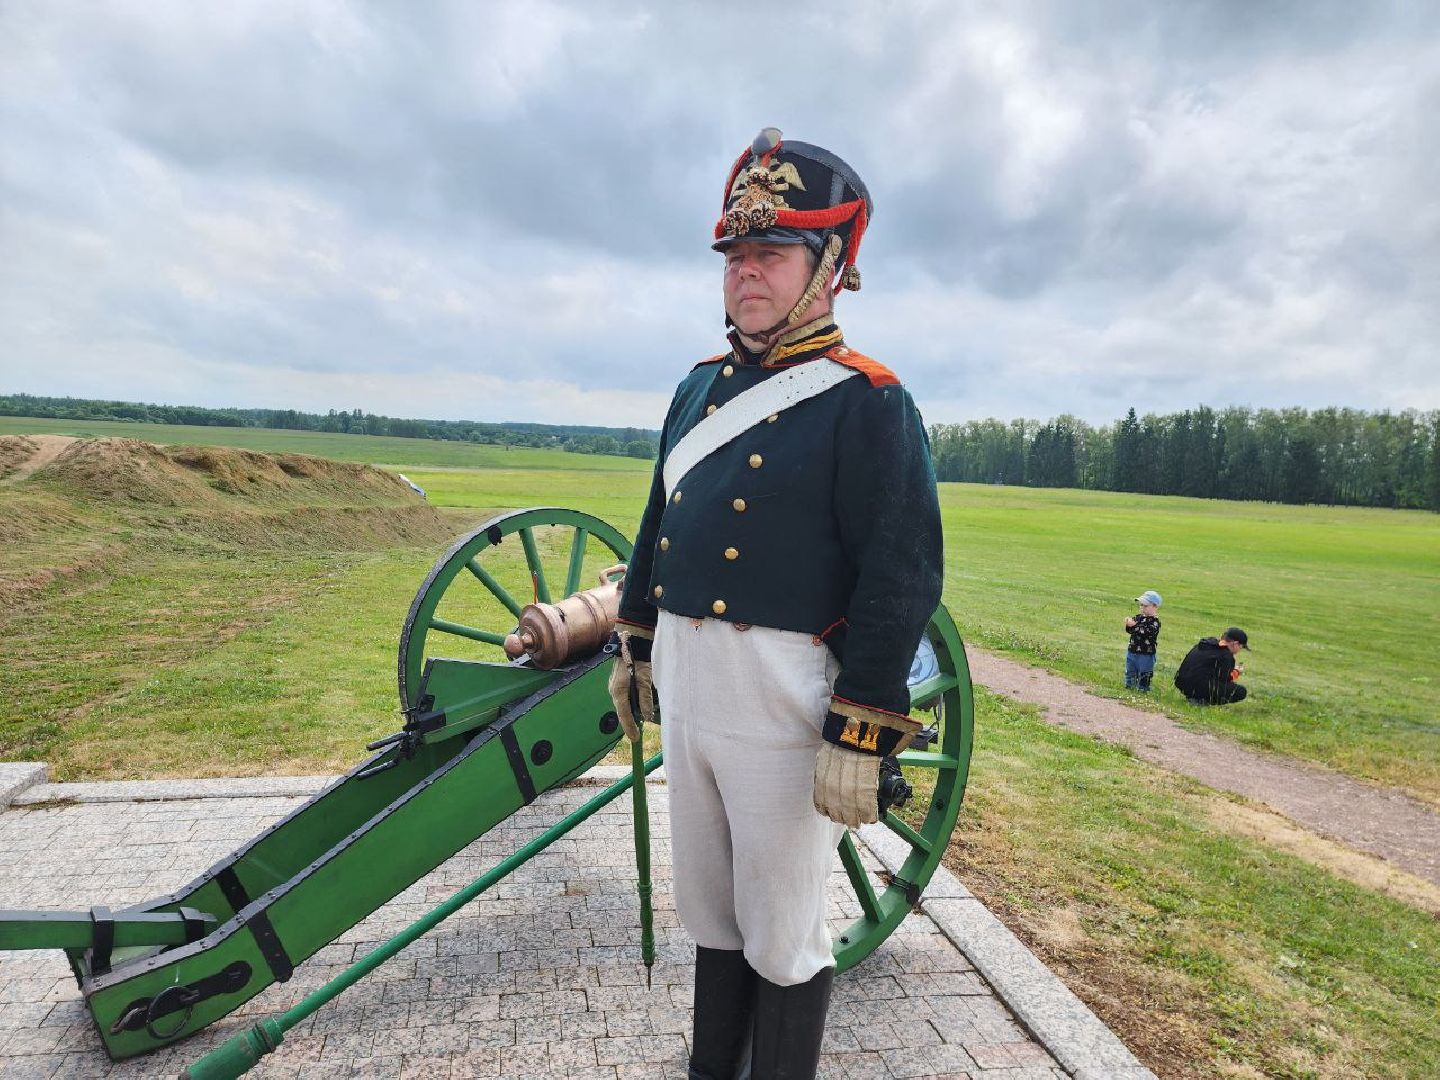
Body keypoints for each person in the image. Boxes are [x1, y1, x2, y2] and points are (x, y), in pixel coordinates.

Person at [606, 127, 943, 1080]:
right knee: (714, 910)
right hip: (692, 674)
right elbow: (657, 524)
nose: (745, 274)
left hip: (779, 692)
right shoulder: (696, 390)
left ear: (830, 267)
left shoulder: (867, 402)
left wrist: (863, 727)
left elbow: (902, 574)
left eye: (771, 253)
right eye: (736, 255)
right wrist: (634, 641)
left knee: (783, 927)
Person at [1174, 627, 1250, 704]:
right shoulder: (1226, 655)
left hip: (1181, 683)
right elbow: (1225, 679)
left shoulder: (1205, 644)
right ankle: (1201, 700)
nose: (1239, 650)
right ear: (1235, 643)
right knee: (1240, 691)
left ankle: (1195, 696)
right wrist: (1236, 672)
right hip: (1197, 687)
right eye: (1241, 647)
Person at [1123, 589, 1162, 691]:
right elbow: (1131, 631)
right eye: (1141, 605)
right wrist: (1129, 624)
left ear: (1155, 606)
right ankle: (1129, 686)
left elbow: (1146, 632)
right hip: (1132, 650)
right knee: (1130, 670)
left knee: (1145, 673)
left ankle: (1143, 688)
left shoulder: (1155, 622)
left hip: (1146, 653)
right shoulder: (1138, 617)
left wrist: (1134, 625)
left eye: (1145, 606)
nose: (1142, 608)